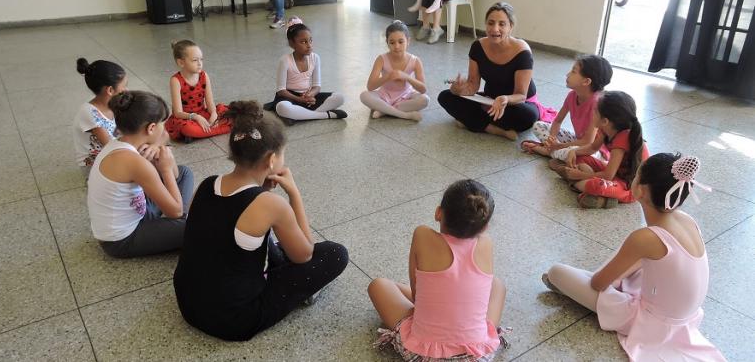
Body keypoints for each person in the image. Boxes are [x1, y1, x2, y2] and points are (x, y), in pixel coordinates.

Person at [174, 100, 349, 341]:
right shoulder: (271, 205)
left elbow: (216, 231)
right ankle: (305, 293)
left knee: (261, 242)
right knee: (336, 253)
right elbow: (305, 255)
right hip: (235, 320)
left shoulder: (206, 184)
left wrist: (262, 191)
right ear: (271, 160)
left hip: (188, 304)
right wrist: (294, 195)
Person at [542, 153, 724, 361]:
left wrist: (610, 281)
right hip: (685, 317)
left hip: (653, 323)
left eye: (636, 175)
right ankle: (615, 281)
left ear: (640, 190)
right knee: (633, 261)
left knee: (557, 272)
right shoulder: (687, 220)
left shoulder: (645, 238)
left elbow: (598, 283)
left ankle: (572, 285)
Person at [368, 179, 509, 361]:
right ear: (484, 226)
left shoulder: (422, 234)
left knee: (379, 285)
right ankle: (445, 305)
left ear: (438, 213)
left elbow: (418, 296)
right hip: (476, 355)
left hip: (424, 353)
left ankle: (438, 302)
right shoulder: (487, 243)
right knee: (497, 285)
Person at [87, 91, 193, 258]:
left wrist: (156, 146)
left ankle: (175, 227)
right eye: (162, 123)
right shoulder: (135, 162)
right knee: (196, 224)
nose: (164, 128)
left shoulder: (120, 143)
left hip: (138, 211)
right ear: (151, 128)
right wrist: (165, 168)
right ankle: (180, 227)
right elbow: (175, 212)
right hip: (121, 241)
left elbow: (164, 136)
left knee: (184, 172)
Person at [438, 2, 556, 140]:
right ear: (486, 24)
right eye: (491, 23)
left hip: (517, 103)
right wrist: (457, 90)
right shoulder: (477, 46)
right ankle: (495, 130)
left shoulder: (522, 51)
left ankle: (471, 121)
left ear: (510, 26)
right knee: (445, 97)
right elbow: (473, 86)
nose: (495, 29)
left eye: (502, 24)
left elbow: (521, 95)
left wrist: (505, 98)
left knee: (527, 117)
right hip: (489, 100)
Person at [560, 91, 649, 209]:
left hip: (630, 186)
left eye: (595, 111)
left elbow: (607, 176)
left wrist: (580, 175)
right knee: (581, 157)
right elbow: (592, 148)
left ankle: (576, 181)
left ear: (605, 120)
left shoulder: (623, 137)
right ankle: (583, 185)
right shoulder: (606, 129)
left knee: (597, 185)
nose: (592, 113)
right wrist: (573, 151)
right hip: (615, 174)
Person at [521, 55, 612, 162]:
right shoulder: (572, 96)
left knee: (578, 156)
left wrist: (559, 146)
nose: (567, 74)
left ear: (586, 82)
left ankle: (546, 151)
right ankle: (552, 150)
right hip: (578, 141)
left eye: (573, 71)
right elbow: (558, 121)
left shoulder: (597, 104)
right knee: (538, 125)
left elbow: (588, 142)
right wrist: (552, 139)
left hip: (595, 151)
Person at [267, 17, 347, 124]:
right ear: (292, 44)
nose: (309, 45)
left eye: (310, 40)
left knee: (339, 97)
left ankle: (297, 115)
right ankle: (325, 115)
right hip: (289, 97)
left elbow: (317, 86)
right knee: (282, 107)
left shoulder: (315, 58)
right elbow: (281, 90)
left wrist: (311, 95)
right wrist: (300, 100)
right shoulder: (285, 60)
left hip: (307, 96)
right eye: (303, 42)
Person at [360, 21, 429, 121]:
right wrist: (388, 76)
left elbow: (423, 90)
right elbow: (370, 86)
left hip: (406, 96)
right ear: (387, 43)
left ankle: (384, 110)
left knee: (425, 100)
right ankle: (405, 115)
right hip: (384, 96)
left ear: (408, 41)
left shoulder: (415, 61)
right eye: (392, 42)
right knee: (364, 96)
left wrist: (407, 77)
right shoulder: (381, 59)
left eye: (401, 42)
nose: (396, 46)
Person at [164, 40, 231, 143]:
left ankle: (205, 132)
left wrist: (213, 114)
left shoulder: (204, 75)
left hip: (203, 113)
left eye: (201, 59)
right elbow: (178, 113)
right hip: (186, 118)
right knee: (188, 129)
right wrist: (195, 117)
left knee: (228, 113)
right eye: (195, 60)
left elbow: (210, 102)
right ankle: (225, 128)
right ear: (181, 62)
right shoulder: (175, 80)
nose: (200, 63)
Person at [73, 58, 128, 174]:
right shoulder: (89, 113)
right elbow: (110, 146)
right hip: (95, 165)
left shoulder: (114, 102)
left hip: (113, 152)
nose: (126, 89)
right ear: (110, 90)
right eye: (124, 86)